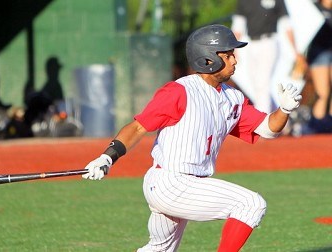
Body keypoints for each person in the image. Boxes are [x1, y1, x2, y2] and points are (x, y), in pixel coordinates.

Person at [82, 24, 302, 251]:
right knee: (250, 204)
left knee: (159, 249)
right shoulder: (180, 91)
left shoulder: (232, 98)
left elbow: (268, 128)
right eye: (228, 55)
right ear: (208, 59)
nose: (235, 60)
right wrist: (107, 157)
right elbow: (138, 128)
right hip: (171, 183)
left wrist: (284, 110)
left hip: (188, 185)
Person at [231, 0, 306, 114]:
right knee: (256, 84)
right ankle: (275, 116)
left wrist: (295, 51)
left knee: (262, 82)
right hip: (251, 44)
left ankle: (262, 121)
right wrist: (234, 48)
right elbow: (238, 25)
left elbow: (287, 24)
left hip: (269, 43)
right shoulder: (244, 1)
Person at [306, 0, 332, 133]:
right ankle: (318, 123)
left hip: (330, 50)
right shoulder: (313, 8)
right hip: (319, 52)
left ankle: (329, 121)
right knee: (323, 92)